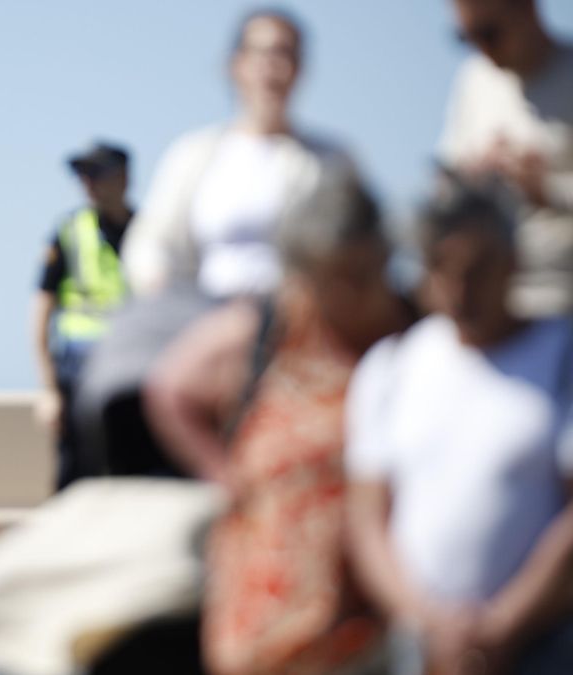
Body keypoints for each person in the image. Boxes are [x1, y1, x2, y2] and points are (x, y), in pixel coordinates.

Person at [143, 172, 412, 674]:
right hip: (263, 626)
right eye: (334, 278)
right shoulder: (272, 328)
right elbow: (169, 389)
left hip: (374, 630)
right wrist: (220, 473)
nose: (351, 295)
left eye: (363, 274)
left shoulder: (416, 332)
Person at [345, 181, 573, 675]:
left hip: (545, 646)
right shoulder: (391, 366)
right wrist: (430, 624)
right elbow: (367, 520)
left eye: (478, 269)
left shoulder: (563, 355)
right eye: (441, 268)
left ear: (513, 262)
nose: (460, 289)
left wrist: (504, 624)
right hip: (420, 652)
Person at [120, 7, 353, 301]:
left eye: (287, 54)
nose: (275, 68)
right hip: (203, 318)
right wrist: (167, 300)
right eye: (264, 54)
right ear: (236, 65)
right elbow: (151, 246)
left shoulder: (331, 161)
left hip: (301, 320)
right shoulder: (193, 154)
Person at [438, 0, 573, 318]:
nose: (480, 48)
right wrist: (476, 176)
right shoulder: (474, 81)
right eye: (465, 37)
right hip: (489, 303)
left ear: (527, 9)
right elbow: (444, 184)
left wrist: (545, 188)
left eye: (488, 32)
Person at [33, 141, 132, 491]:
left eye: (96, 173)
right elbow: (41, 313)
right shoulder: (70, 232)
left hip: (131, 372)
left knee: (133, 476)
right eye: (81, 174)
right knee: (74, 476)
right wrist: (50, 391)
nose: (87, 182)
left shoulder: (151, 233)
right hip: (77, 371)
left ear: (123, 178)